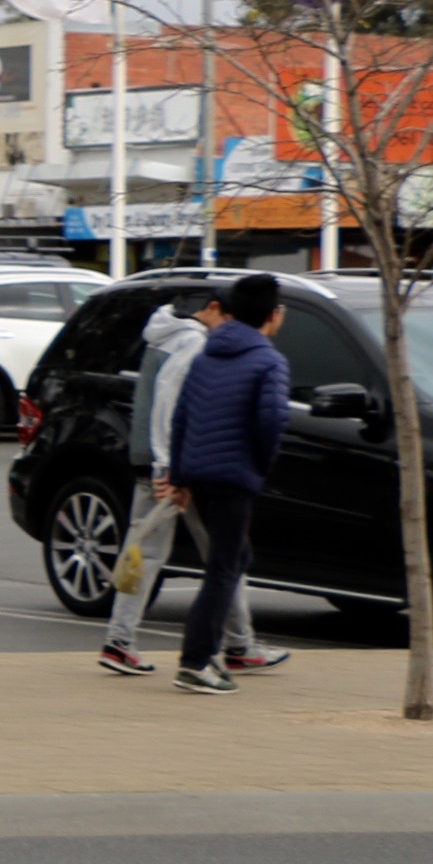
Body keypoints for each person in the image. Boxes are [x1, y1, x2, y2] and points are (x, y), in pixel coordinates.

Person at [97, 288, 277, 677]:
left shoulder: (162, 331)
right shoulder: (192, 342)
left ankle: (119, 641)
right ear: (213, 309)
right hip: (175, 468)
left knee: (145, 551)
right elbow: (171, 403)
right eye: (227, 319)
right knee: (224, 557)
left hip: (147, 457)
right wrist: (169, 468)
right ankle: (240, 645)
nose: (227, 329)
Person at [165, 268, 293, 696]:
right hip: (234, 477)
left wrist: (180, 476)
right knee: (222, 570)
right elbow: (272, 420)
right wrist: (259, 464)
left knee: (234, 558)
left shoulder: (207, 355)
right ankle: (196, 661)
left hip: (201, 474)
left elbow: (182, 416)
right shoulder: (269, 361)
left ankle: (218, 652)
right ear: (273, 316)